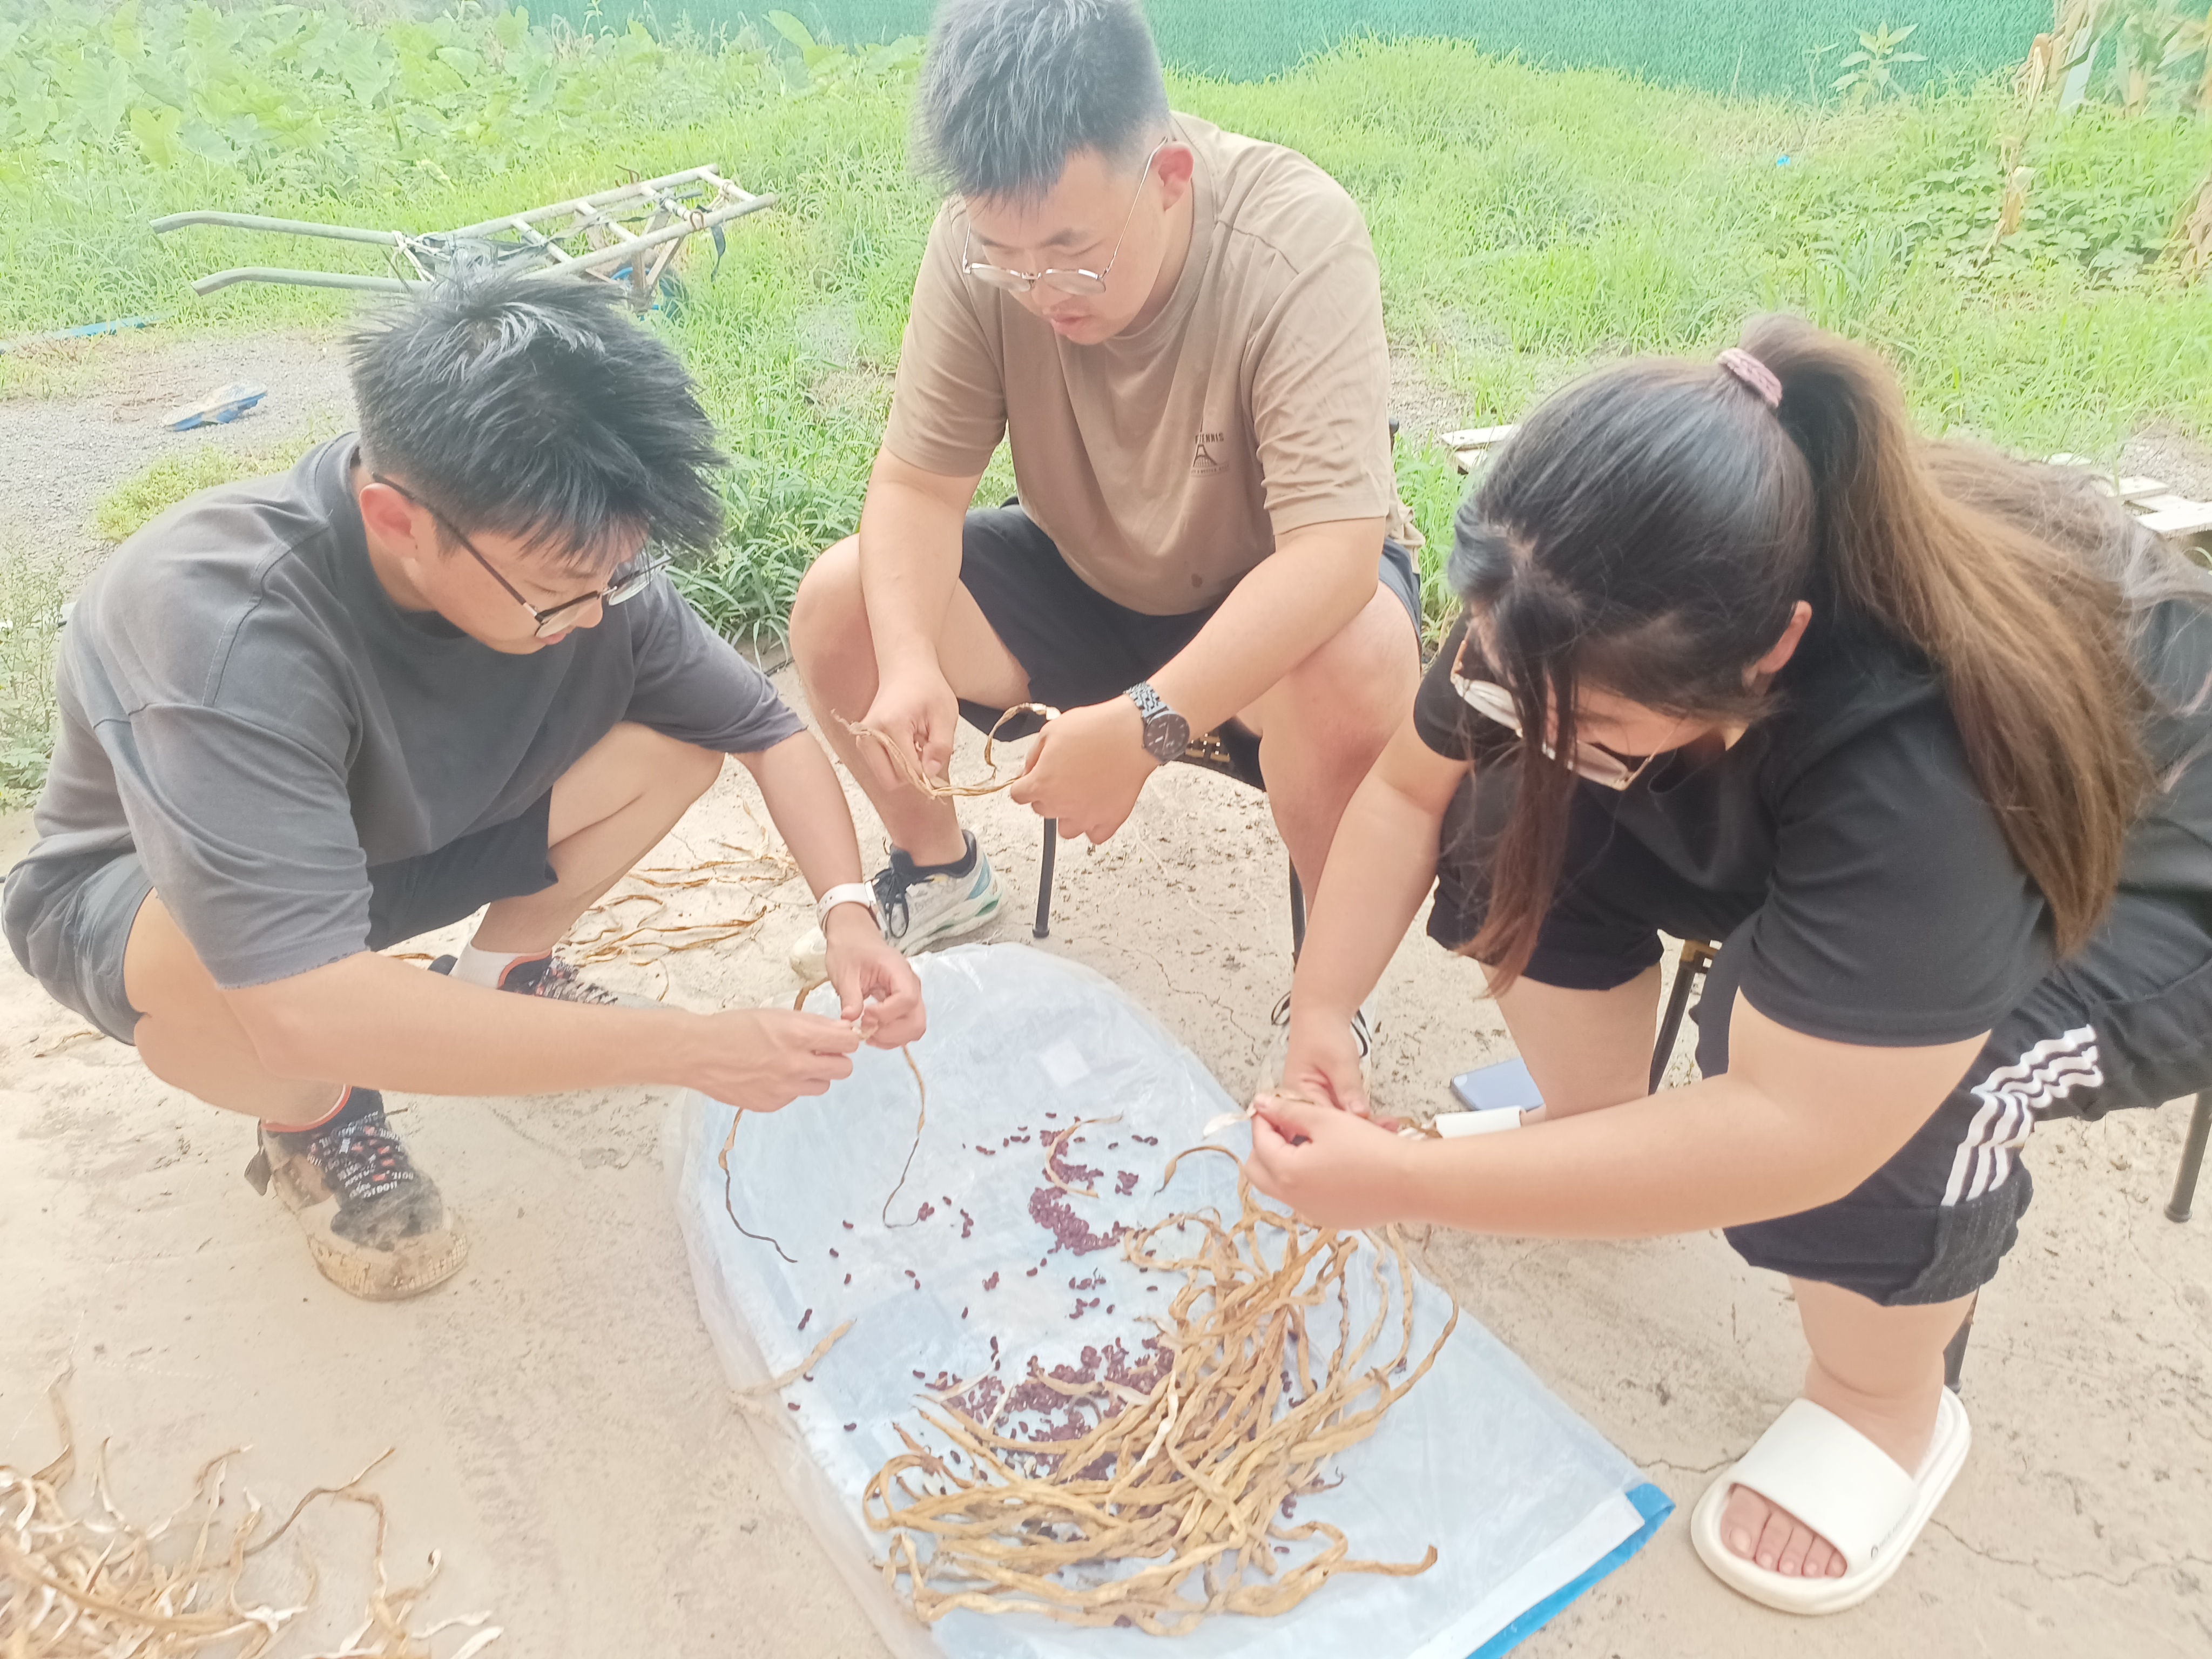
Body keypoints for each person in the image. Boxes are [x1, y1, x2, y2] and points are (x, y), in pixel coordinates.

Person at [1243, 314, 2212, 1614]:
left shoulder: (1918, 757)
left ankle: (1882, 1404)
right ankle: (1592, 1129)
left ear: (1771, 651)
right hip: (1833, 794)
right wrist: (1323, 1010)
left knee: (1900, 1076)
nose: (1538, 719)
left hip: (2146, 881)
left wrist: (1404, 1181)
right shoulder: (1563, 593)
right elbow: (1407, 794)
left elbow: (1804, 1128)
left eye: (1598, 717)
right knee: (1506, 805)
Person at [4, 271, 923, 1302]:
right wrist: (694, 1050)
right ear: (397, 520)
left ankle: (503, 976)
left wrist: (848, 915)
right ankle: (318, 1119)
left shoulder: (575, 560)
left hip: (377, 856)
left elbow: (766, 731)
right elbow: (300, 1004)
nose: (595, 613)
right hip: (154, 908)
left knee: (671, 749)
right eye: (556, 594)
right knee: (273, 1005)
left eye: (617, 575)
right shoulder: (223, 624)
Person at [787, 0, 1422, 1028]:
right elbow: (917, 486)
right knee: (843, 604)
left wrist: (1149, 726)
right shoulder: (980, 248)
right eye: (1007, 256)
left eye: (1073, 252)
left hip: (1270, 608)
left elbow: (1335, 556)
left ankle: (1329, 988)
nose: (1041, 290)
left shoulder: (1293, 239)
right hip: (1086, 577)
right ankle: (941, 873)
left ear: (1167, 178)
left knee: (1356, 662)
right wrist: (907, 664)